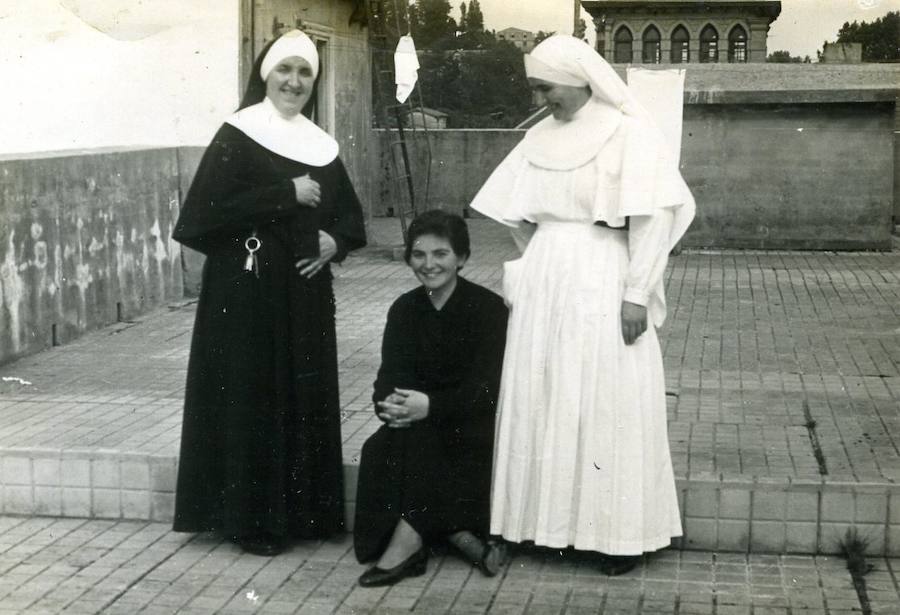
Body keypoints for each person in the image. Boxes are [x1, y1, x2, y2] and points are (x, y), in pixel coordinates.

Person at [470, 35, 695, 575]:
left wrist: (637, 293)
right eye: (536, 87)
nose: (542, 97)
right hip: (549, 279)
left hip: (604, 275)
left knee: (603, 399)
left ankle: (616, 538)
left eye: (546, 86)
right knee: (544, 395)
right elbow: (516, 214)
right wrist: (545, 258)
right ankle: (539, 527)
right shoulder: (539, 139)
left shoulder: (627, 132)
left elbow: (653, 218)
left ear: (577, 79)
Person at [170, 30, 366, 556]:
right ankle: (251, 523)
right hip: (246, 293)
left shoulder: (319, 143)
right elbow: (199, 219)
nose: (294, 81)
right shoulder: (237, 134)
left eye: (305, 72)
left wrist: (335, 241)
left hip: (304, 295)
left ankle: (304, 515)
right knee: (253, 397)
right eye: (286, 70)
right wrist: (285, 193)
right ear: (266, 74)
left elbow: (352, 217)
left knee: (300, 396)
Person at [353, 210, 508, 587]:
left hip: (471, 425)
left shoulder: (487, 309)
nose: (429, 264)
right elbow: (389, 376)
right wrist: (387, 405)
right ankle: (453, 533)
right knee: (386, 444)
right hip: (416, 422)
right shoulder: (405, 309)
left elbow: (488, 389)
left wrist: (432, 406)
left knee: (428, 441)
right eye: (419, 255)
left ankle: (406, 546)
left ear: (462, 258)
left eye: (441, 254)